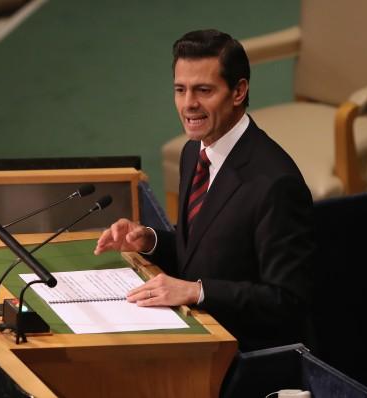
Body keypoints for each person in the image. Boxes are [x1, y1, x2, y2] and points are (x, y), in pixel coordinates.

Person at [94, 29, 314, 352]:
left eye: (203, 90)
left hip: (246, 356)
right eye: (180, 90)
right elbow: (204, 252)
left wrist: (197, 292)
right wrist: (150, 240)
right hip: (198, 338)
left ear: (238, 91)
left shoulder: (276, 183)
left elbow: (286, 300)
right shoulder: (193, 152)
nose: (188, 105)